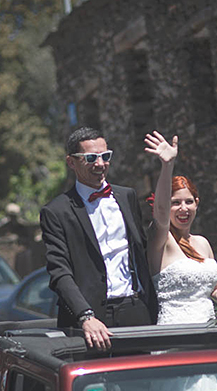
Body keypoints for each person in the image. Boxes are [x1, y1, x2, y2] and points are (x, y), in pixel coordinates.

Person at [40, 127, 157, 350]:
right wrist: (85, 316)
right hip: (90, 320)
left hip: (135, 310)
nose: (100, 164)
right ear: (71, 162)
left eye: (105, 156)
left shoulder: (127, 196)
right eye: (91, 158)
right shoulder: (56, 211)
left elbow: (143, 249)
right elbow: (59, 271)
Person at [143, 130, 217, 326]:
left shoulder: (203, 243)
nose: (183, 208)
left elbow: (215, 287)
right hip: (176, 330)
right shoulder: (161, 238)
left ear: (196, 203)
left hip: (211, 328)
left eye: (189, 202)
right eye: (175, 203)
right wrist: (167, 166)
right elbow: (161, 212)